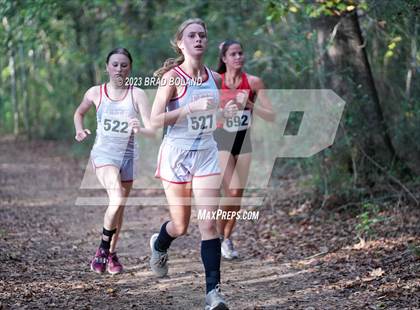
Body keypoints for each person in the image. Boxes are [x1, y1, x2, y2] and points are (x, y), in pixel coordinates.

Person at [149, 19, 236, 310]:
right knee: (181, 225)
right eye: (192, 35)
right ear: (180, 43)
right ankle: (160, 244)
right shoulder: (172, 78)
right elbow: (155, 119)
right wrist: (189, 108)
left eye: (202, 35)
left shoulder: (215, 77)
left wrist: (227, 110)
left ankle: (213, 293)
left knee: (208, 223)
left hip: (206, 154)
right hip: (176, 154)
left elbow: (217, 116)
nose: (198, 39)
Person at [74, 47, 154, 275]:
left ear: (130, 68)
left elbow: (152, 130)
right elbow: (79, 113)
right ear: (107, 67)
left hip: (128, 157)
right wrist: (79, 130)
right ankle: (101, 250)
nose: (119, 69)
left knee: (119, 208)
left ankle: (111, 253)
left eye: (124, 65)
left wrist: (141, 128)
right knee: (116, 197)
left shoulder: (137, 94)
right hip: (104, 154)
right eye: (115, 64)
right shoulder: (96, 92)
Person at [214, 40, 275, 260]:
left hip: (243, 139)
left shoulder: (254, 82)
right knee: (232, 189)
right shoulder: (215, 81)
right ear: (224, 58)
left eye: (241, 53)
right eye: (233, 54)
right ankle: (217, 236)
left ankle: (226, 239)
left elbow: (271, 116)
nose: (238, 57)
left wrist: (250, 105)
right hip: (220, 137)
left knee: (238, 194)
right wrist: (222, 112)